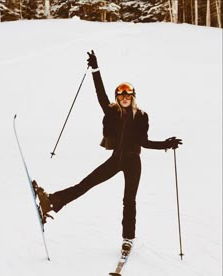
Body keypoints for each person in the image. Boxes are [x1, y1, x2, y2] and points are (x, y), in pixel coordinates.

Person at [34, 50, 182, 254]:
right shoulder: (112, 112)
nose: (124, 98)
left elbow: (144, 142)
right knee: (85, 184)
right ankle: (51, 201)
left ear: (133, 97)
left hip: (133, 163)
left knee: (129, 200)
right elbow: (100, 94)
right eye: (121, 96)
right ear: (117, 98)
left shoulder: (141, 116)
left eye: (128, 95)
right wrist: (95, 69)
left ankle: (128, 239)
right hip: (116, 160)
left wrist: (166, 144)